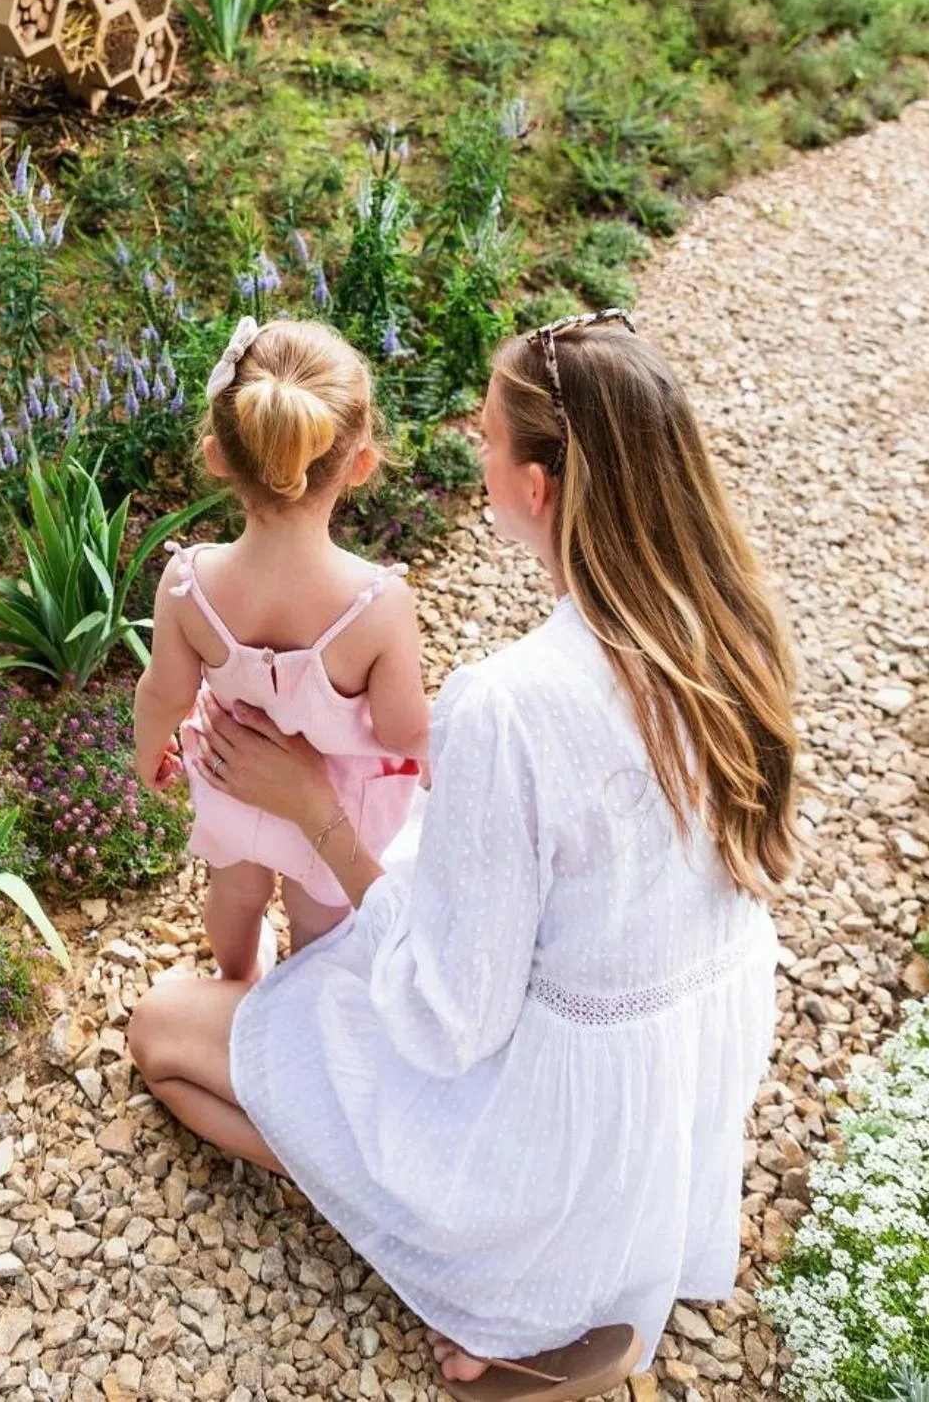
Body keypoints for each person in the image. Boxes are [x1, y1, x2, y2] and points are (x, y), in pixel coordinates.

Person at [128, 310, 798, 1393]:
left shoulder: (511, 700)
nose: (466, 446)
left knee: (161, 1028)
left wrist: (311, 806)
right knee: (370, 914)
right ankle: (543, 1265)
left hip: (538, 1127)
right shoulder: (724, 616)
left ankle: (469, 1276)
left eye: (482, 434)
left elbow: (447, 1022)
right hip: (666, 1092)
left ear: (535, 488)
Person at [133, 314, 429, 981]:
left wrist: (148, 752)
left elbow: (163, 692)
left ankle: (236, 981)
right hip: (335, 800)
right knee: (320, 915)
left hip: (230, 772)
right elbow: (402, 725)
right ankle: (299, 1005)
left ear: (217, 456)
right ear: (359, 465)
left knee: (234, 893)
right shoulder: (377, 604)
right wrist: (435, 747)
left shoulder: (188, 583)